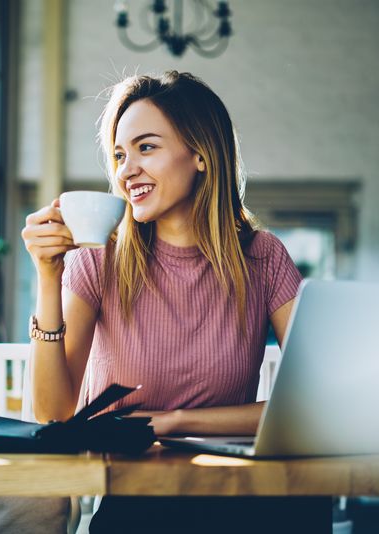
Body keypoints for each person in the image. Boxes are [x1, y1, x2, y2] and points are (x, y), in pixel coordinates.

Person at [21, 71, 330, 533]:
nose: (126, 170)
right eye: (120, 155)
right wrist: (49, 276)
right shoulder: (98, 262)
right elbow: (53, 414)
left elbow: (317, 404)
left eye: (146, 148)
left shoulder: (262, 257)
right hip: (137, 506)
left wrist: (172, 422)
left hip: (241, 498)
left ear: (201, 155)